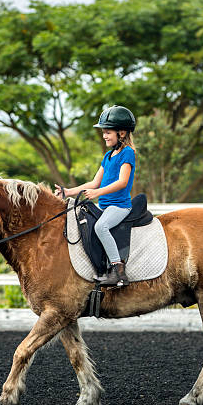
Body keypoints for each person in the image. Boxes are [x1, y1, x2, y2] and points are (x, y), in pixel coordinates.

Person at [55, 105, 136, 286]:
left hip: (119, 206)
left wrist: (97, 193)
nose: (104, 136)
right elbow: (94, 183)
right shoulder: (108, 156)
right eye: (104, 133)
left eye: (108, 132)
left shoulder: (127, 153)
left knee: (101, 227)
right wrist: (68, 191)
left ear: (122, 133)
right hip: (105, 205)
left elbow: (122, 182)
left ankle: (118, 270)